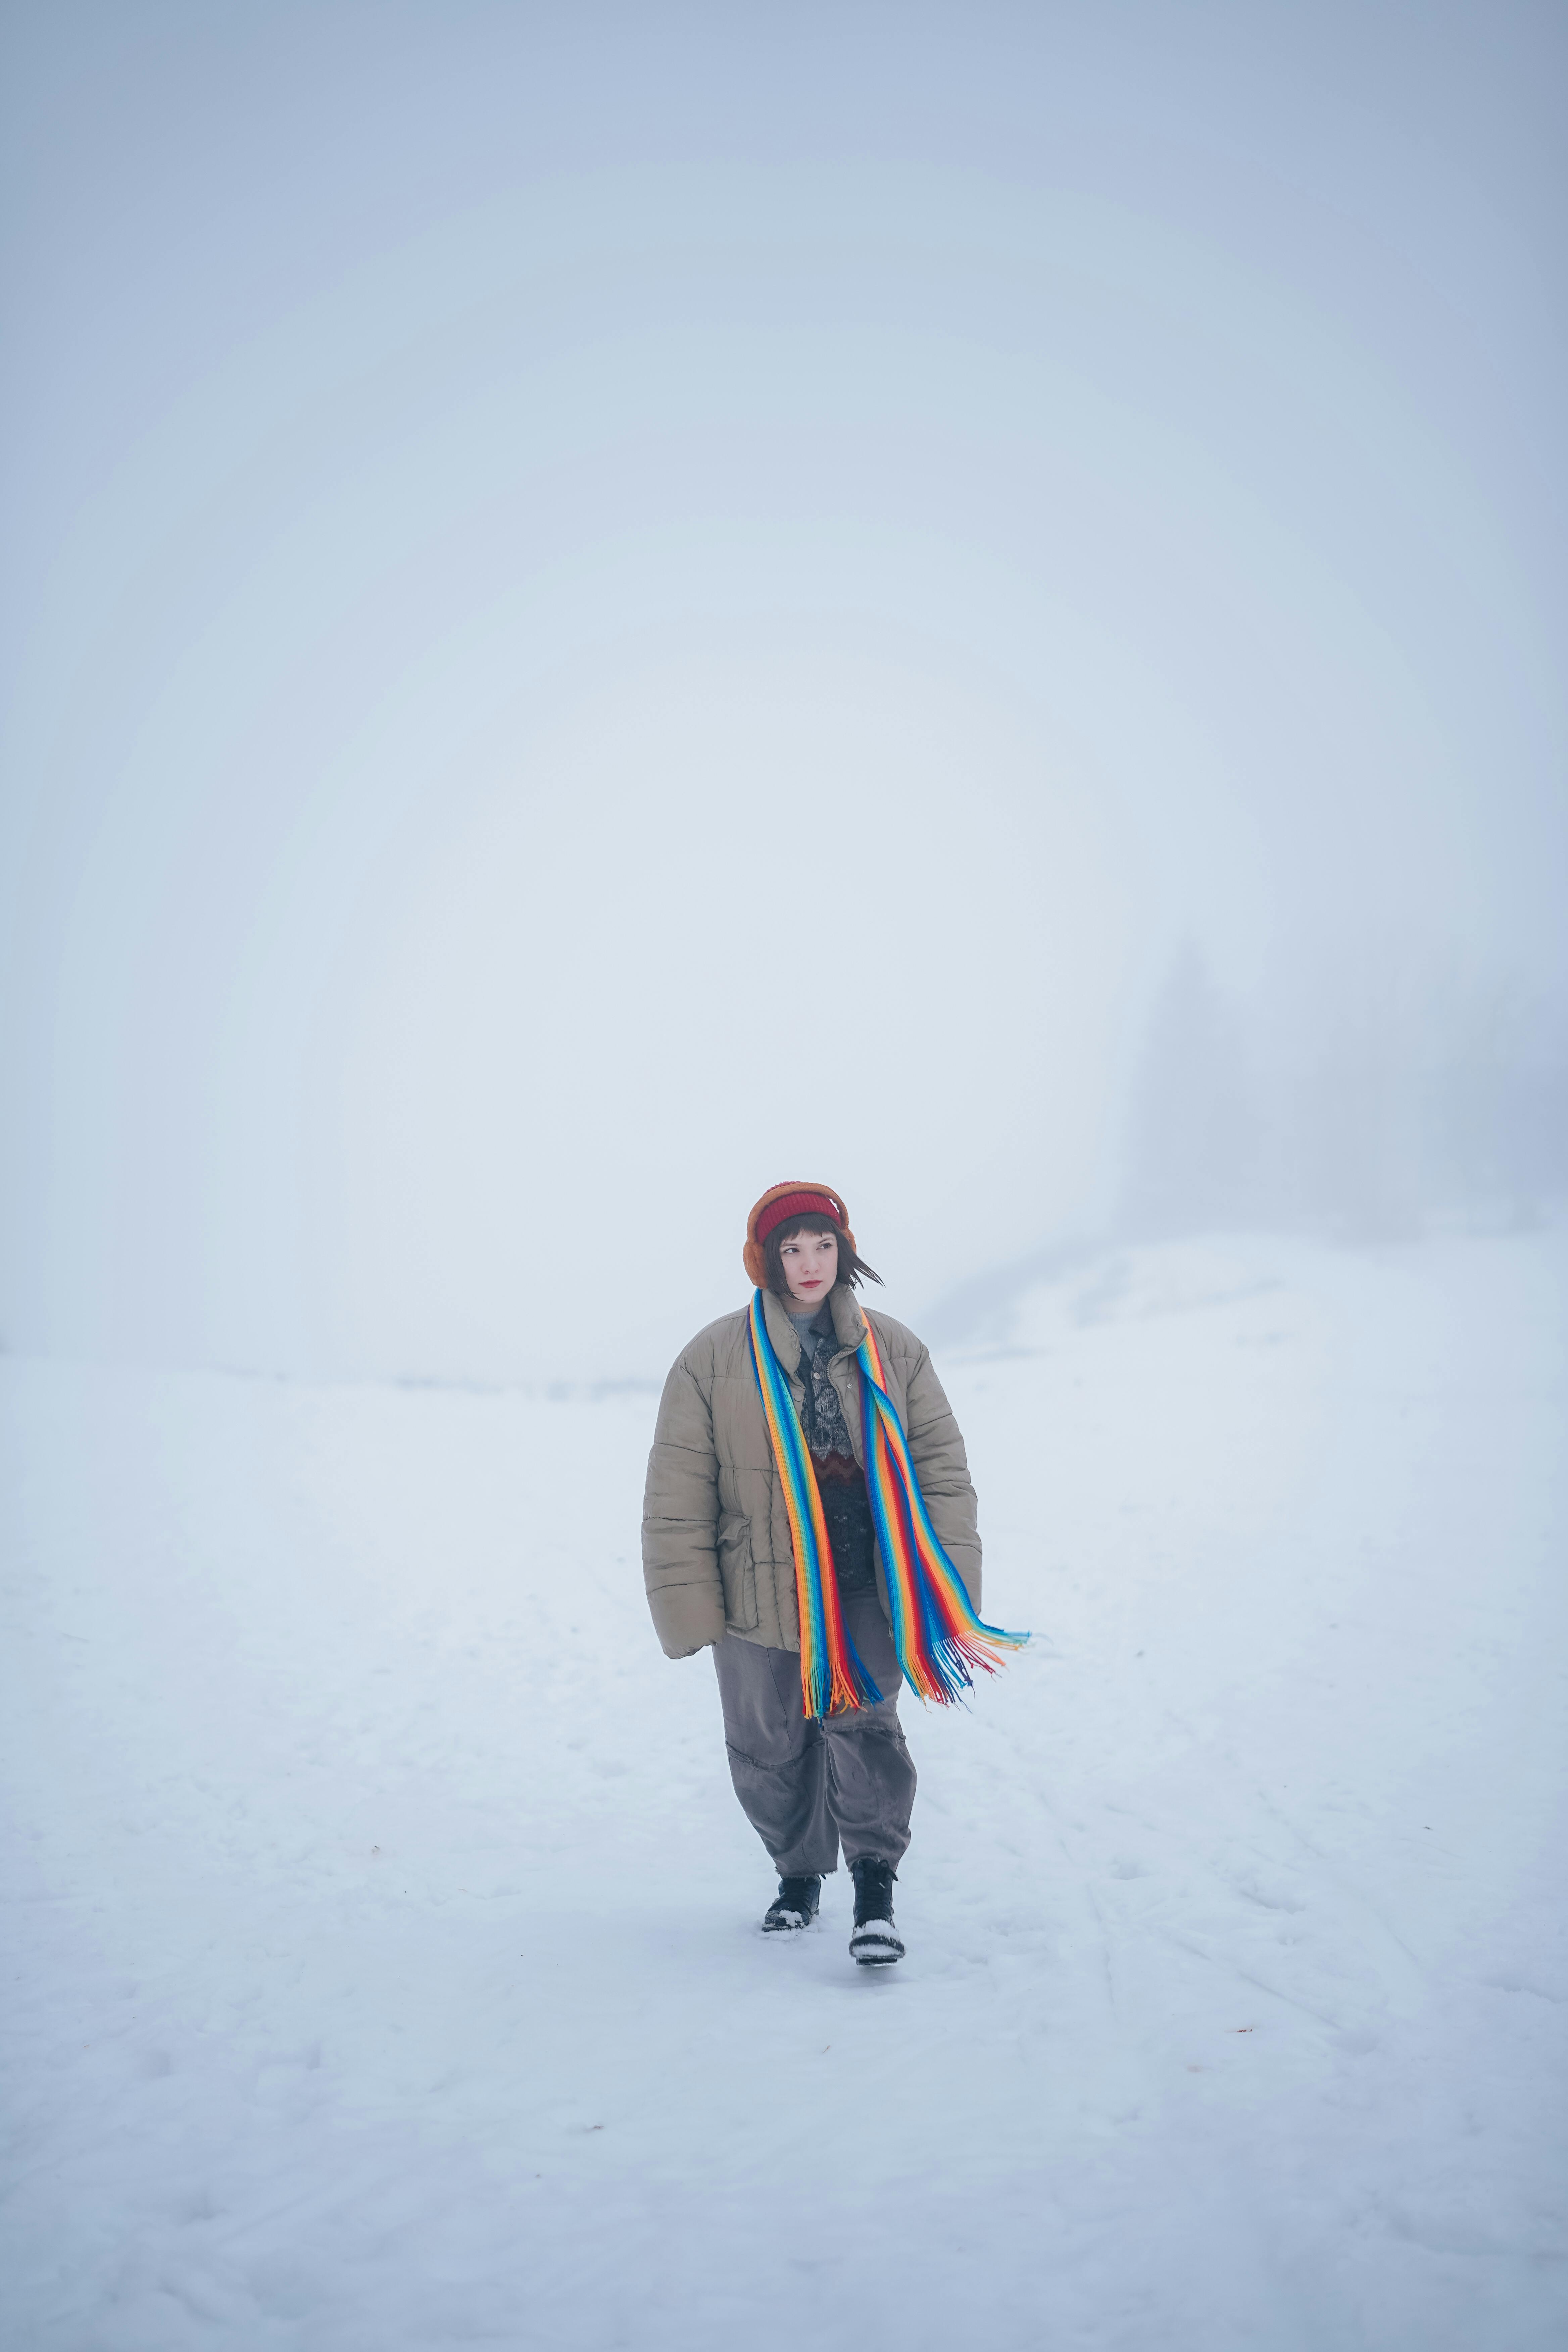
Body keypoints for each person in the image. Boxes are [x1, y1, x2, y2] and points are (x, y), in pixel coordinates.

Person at [640, 1181, 988, 1967]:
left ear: (846, 1249)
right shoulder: (709, 1359)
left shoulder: (891, 1347)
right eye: (791, 1249)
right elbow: (677, 1495)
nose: (809, 1263)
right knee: (768, 1749)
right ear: (762, 1261)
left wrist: (950, 1580)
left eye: (823, 1245)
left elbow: (941, 1468)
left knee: (864, 1727)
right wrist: (689, 1609)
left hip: (870, 1578)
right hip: (755, 1594)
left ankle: (874, 1887)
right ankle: (797, 1874)